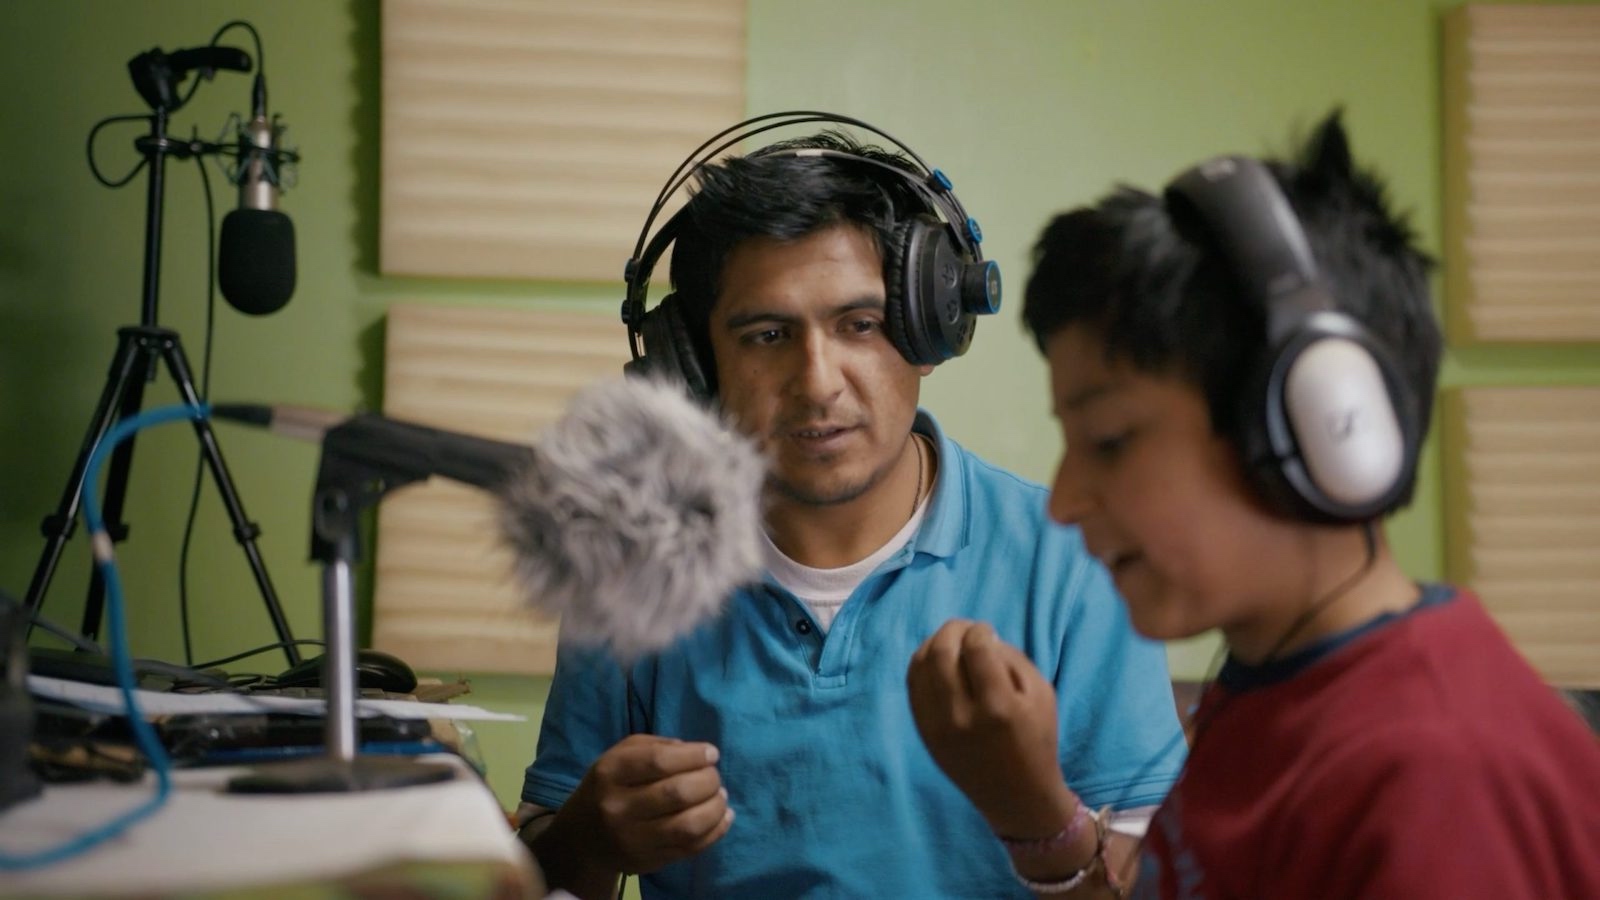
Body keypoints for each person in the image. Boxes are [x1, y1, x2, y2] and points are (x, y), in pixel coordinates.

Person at [906, 110, 1600, 898]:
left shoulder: (1441, 774)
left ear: (1312, 421)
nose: (1062, 504)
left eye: (1109, 440)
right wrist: (1034, 816)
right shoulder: (1277, 681)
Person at [514, 116, 1187, 899]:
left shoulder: (1076, 558)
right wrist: (585, 841)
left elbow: (1158, 888)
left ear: (933, 328)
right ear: (692, 368)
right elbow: (543, 863)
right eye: (767, 335)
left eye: (859, 325)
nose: (818, 381)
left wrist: (1041, 815)